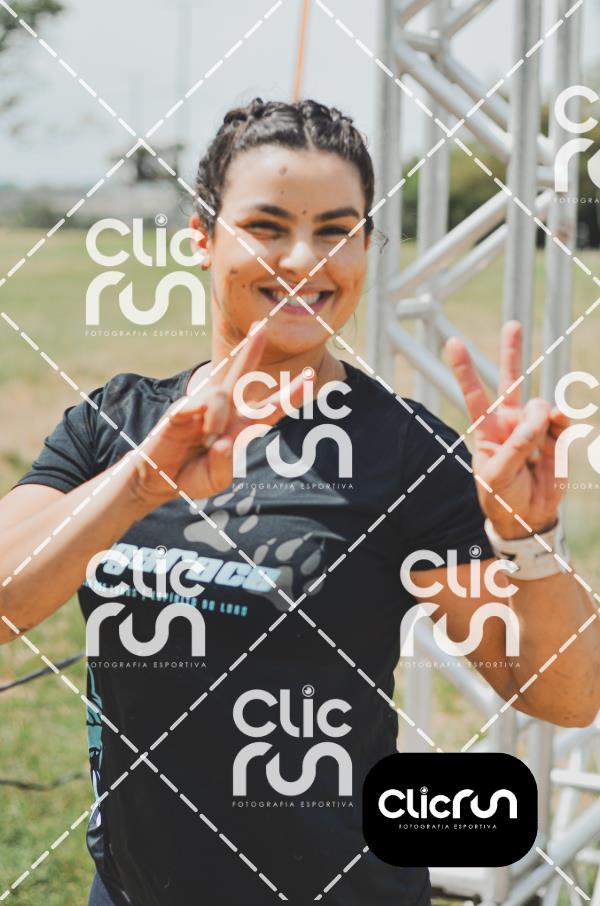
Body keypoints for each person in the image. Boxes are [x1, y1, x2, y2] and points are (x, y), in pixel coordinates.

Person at [1, 98, 599, 906]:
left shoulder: (403, 452)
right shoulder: (115, 426)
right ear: (202, 237)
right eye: (268, 226)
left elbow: (565, 696)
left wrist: (528, 537)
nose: (303, 259)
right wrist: (139, 485)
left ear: (368, 246)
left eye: (336, 231)